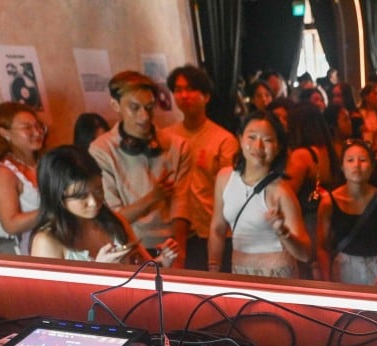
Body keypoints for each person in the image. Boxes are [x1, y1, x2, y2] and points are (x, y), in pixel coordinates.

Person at [89, 70, 191, 267]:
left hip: (171, 245)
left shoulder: (178, 146)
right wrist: (153, 197)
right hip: (128, 248)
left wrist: (179, 254)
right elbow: (114, 217)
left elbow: (181, 206)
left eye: (149, 108)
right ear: (115, 105)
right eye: (134, 108)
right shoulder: (101, 150)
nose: (144, 117)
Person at [30, 145, 177, 266]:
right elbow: (47, 293)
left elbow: (144, 267)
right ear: (57, 197)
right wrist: (99, 270)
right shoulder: (48, 240)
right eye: (81, 196)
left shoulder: (114, 222)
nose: (93, 202)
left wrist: (163, 261)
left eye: (99, 190)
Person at [208, 110, 311, 277]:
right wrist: (213, 267)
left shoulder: (281, 192)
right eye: (252, 137)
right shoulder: (224, 178)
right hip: (240, 272)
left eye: (267, 140)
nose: (258, 146)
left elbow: (305, 254)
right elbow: (217, 228)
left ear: (278, 147)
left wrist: (283, 233)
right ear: (240, 139)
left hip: (277, 276)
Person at [166, 65, 240, 271]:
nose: (184, 95)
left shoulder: (224, 140)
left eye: (190, 89)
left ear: (206, 96)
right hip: (177, 232)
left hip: (213, 231)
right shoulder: (167, 137)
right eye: (178, 90)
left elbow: (231, 191)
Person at [316, 139, 377, 286]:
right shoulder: (329, 202)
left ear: (372, 166)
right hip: (342, 268)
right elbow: (322, 246)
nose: (357, 165)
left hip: (376, 268)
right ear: (342, 167)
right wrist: (327, 279)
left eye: (363, 160)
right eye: (350, 160)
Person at [285, 102, 341, 270]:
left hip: (308, 224)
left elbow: (287, 193)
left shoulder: (302, 155)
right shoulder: (330, 150)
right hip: (330, 223)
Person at [0, 102, 46, 255]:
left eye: (38, 126)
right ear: (4, 133)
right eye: (27, 128)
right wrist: (53, 211)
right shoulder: (4, 173)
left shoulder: (45, 161)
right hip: (38, 245)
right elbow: (10, 224)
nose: (37, 132)